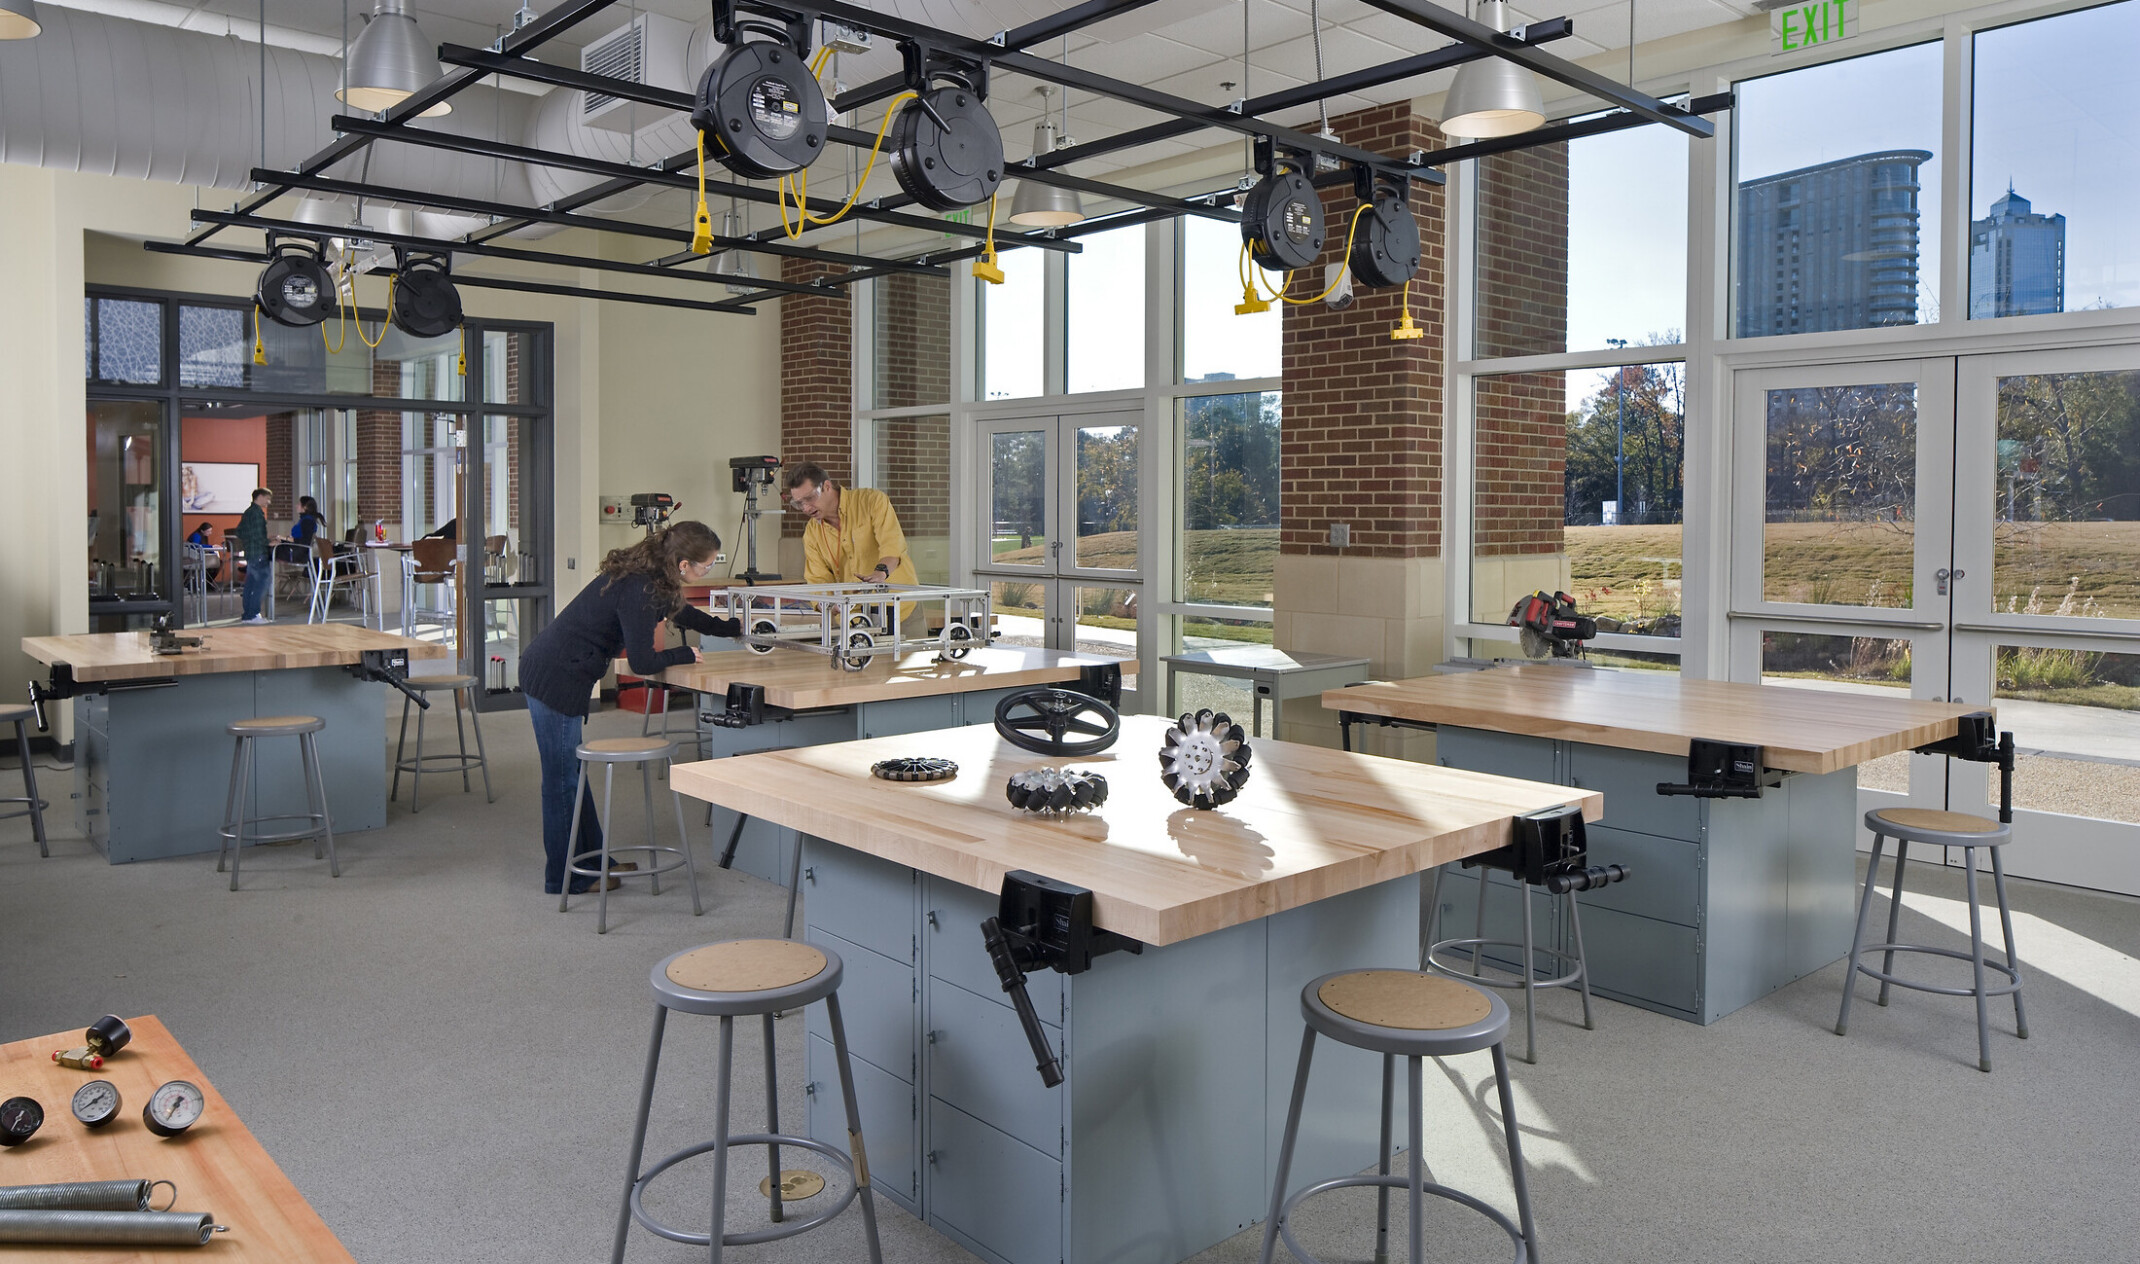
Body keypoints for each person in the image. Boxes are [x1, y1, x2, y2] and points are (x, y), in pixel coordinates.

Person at [517, 520, 742, 896]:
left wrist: (733, 628)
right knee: (560, 783)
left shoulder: (653, 578)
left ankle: (592, 863)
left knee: (571, 777)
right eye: (707, 565)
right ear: (684, 565)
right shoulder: (640, 588)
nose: (708, 570)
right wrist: (685, 652)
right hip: (554, 678)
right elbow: (642, 662)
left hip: (561, 672)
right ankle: (562, 878)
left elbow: (685, 614)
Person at [785, 463, 916, 588]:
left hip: (899, 601)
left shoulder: (871, 501)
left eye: (810, 498)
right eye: (799, 503)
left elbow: (892, 547)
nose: (806, 508)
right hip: (854, 606)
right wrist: (826, 603)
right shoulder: (812, 532)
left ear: (827, 486)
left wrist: (880, 573)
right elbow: (818, 578)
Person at [233, 488, 283, 624]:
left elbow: (240, 532)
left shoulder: (248, 512)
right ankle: (253, 614)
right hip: (259, 553)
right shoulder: (256, 514)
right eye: (267, 498)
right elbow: (257, 536)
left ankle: (247, 615)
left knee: (250, 584)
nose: (269, 502)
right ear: (260, 497)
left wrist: (254, 540)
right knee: (262, 583)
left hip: (250, 553)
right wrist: (268, 542)